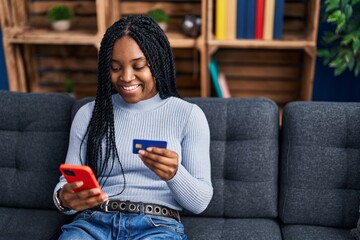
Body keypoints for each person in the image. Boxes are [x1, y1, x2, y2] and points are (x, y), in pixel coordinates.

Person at [53, 15, 213, 239]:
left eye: (138, 66)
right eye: (115, 67)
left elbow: (200, 202)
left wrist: (175, 174)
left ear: (157, 62)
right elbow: (66, 184)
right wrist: (63, 199)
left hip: (156, 225)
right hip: (93, 222)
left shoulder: (188, 116)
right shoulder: (89, 114)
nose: (126, 78)